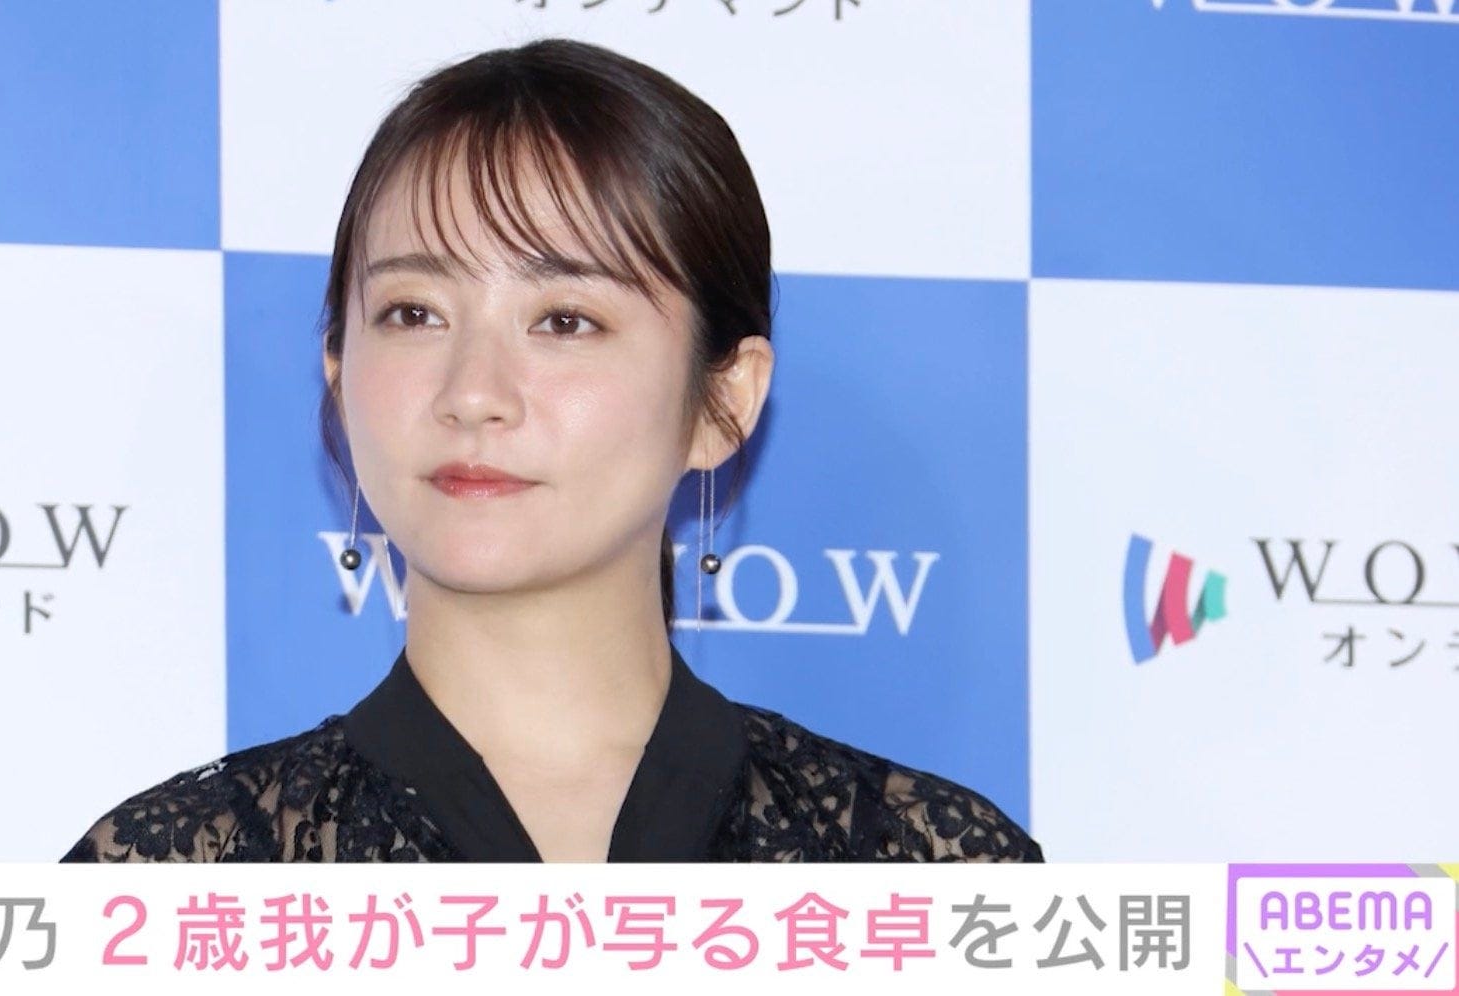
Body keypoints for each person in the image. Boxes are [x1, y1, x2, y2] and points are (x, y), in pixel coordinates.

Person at [61, 37, 1043, 864]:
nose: (472, 393)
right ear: (338, 372)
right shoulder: (172, 881)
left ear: (723, 400)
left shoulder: (927, 873)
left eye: (565, 320)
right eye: (413, 312)